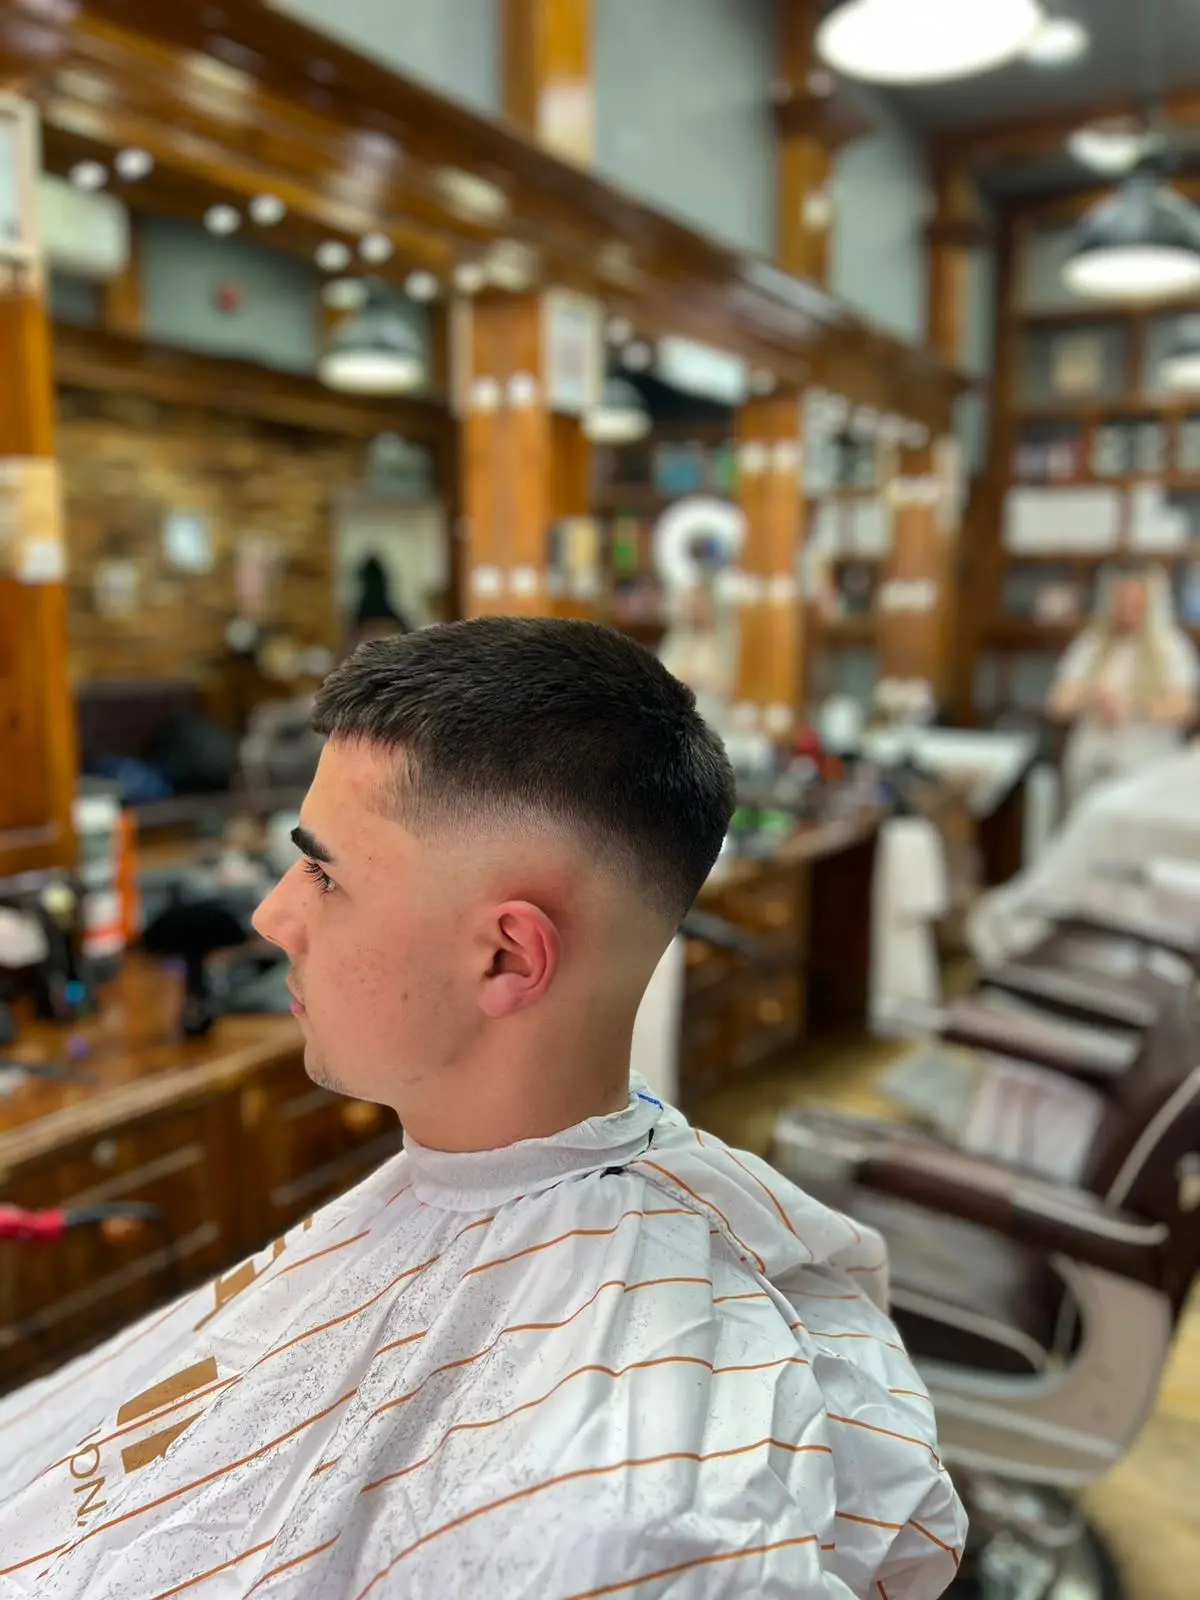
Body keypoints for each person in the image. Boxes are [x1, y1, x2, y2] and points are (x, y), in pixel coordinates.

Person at [0, 619, 964, 1598]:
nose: (272, 915)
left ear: (508, 957)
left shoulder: (630, 1513)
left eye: (323, 873)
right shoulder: (480, 1185)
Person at [1047, 562, 1199, 809]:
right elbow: (1058, 703)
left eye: (1136, 600)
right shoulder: (1090, 644)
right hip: (1091, 762)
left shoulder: (1172, 648)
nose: (1128, 607)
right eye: (1121, 598)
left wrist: (1132, 708)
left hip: (1148, 763)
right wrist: (1091, 697)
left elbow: (1185, 708)